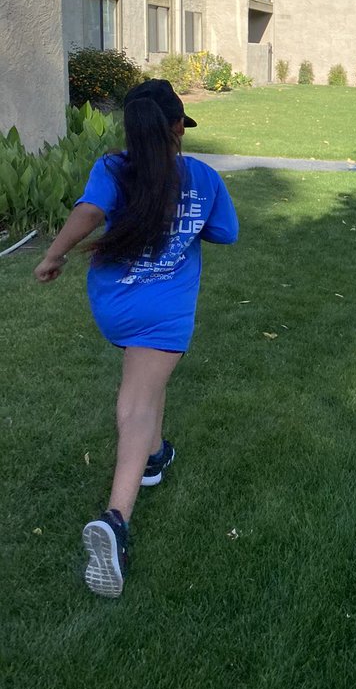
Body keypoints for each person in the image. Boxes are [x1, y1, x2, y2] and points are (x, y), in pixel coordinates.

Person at [34, 79, 238, 597]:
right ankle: (116, 522)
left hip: (115, 307)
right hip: (164, 316)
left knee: (148, 377)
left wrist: (53, 254)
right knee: (137, 401)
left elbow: (89, 212)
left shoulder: (112, 169)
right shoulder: (203, 178)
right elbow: (225, 233)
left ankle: (155, 457)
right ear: (176, 128)